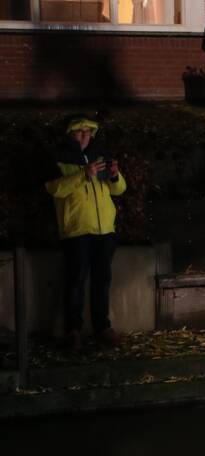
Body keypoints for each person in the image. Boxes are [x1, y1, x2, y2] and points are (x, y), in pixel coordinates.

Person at [45, 115, 128, 351]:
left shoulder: (100, 156)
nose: (85, 134)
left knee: (102, 280)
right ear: (70, 133)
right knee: (76, 281)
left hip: (104, 231)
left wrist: (114, 175)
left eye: (88, 131)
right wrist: (84, 174)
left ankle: (102, 327)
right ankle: (73, 331)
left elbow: (119, 189)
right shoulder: (60, 159)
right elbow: (55, 189)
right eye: (80, 131)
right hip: (77, 230)